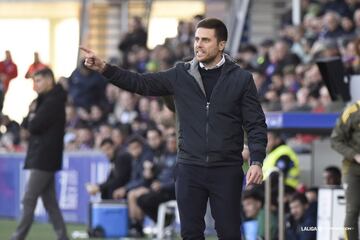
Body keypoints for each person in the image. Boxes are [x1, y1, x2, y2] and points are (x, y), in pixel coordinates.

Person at [81, 17, 267, 239]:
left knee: (229, 233)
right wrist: (104, 68)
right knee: (190, 234)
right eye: (197, 39)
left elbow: (256, 124)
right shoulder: (180, 74)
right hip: (189, 168)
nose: (198, 44)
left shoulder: (242, 79)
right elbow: (140, 83)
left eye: (206, 40)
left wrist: (256, 161)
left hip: (226, 169)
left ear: (221, 44)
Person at [11, 68, 69, 240]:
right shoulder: (44, 100)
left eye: (38, 80)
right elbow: (27, 125)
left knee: (29, 199)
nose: (35, 85)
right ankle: (63, 237)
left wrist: (33, 114)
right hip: (44, 156)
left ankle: (18, 237)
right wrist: (31, 114)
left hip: (44, 157)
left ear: (49, 80)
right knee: (50, 203)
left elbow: (34, 126)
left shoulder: (52, 101)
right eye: (34, 81)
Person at [330, 101, 360, 240]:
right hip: (353, 169)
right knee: (352, 211)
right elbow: (335, 140)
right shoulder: (353, 110)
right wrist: (354, 155)